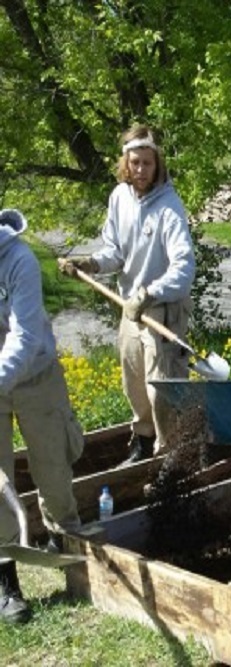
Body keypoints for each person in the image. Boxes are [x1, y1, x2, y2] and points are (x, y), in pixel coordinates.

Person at [58, 125, 196, 465]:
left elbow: (184, 268)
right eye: (135, 162)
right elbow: (116, 253)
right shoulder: (119, 198)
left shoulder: (169, 207)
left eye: (147, 163)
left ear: (157, 164)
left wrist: (150, 293)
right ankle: (143, 441)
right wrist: (91, 263)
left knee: (161, 387)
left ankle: (173, 455)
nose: (141, 170)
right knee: (133, 381)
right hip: (130, 307)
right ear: (126, 162)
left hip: (162, 309)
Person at [0, 208, 86, 623]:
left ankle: (65, 541)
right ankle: (5, 581)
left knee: (53, 467)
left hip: (35, 376)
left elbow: (26, 334)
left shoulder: (19, 260)